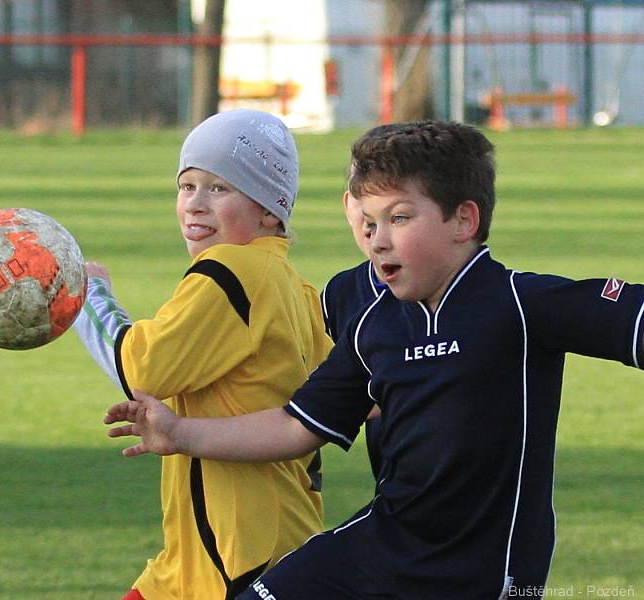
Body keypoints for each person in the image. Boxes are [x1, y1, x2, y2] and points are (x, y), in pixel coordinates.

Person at [103, 121, 644, 599]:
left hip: (486, 572)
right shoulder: (366, 311)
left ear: (464, 220)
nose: (378, 241)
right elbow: (298, 424)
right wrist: (180, 434)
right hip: (382, 543)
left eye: (400, 218)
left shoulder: (523, 306)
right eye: (369, 221)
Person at [72, 109, 331, 600]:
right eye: (187, 186)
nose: (194, 204)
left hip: (239, 561)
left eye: (219, 188)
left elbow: (141, 367)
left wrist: (86, 297)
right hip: (208, 559)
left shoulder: (232, 269)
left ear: (270, 210)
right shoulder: (297, 290)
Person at [321, 160, 387, 484]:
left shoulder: (457, 293)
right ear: (348, 205)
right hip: (393, 493)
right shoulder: (339, 292)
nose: (372, 216)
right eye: (363, 199)